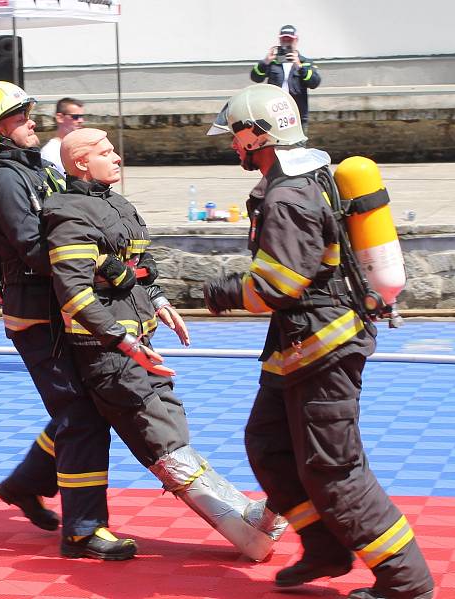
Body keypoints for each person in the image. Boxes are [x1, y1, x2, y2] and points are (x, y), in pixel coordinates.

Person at [203, 83, 434, 599]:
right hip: (297, 348)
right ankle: (325, 548)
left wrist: (220, 292)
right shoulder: (303, 177)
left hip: (322, 350)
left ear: (258, 134)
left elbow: (276, 287)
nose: (233, 146)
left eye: (237, 136)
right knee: (269, 446)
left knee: (335, 471)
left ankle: (406, 581)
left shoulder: (287, 196)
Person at [39, 127, 288, 562]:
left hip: (138, 343)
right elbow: (75, 295)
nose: (117, 157)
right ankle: (242, 530)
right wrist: (120, 340)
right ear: (79, 163)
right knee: (157, 435)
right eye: (105, 152)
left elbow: (140, 265)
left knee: (170, 427)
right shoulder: (69, 213)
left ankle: (247, 515)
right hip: (107, 353)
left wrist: (157, 299)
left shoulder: (115, 205)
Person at [0, 80, 137, 561]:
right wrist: (99, 263)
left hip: (57, 310)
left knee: (80, 410)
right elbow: (36, 250)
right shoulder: (5, 180)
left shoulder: (37, 171)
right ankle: (83, 530)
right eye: (21, 117)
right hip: (35, 318)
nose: (32, 123)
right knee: (81, 416)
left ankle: (25, 484)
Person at [250, 25, 320, 131]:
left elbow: (314, 83)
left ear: (296, 40)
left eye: (290, 39)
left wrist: (299, 67)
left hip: (297, 116)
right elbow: (255, 78)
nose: (286, 41)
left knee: (297, 148)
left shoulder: (305, 62)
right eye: (284, 38)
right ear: (280, 40)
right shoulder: (272, 62)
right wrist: (265, 62)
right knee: (274, 147)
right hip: (273, 116)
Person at [40, 97, 85, 176]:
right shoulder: (49, 153)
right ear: (60, 118)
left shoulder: (82, 146)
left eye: (82, 116)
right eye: (75, 117)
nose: (81, 121)